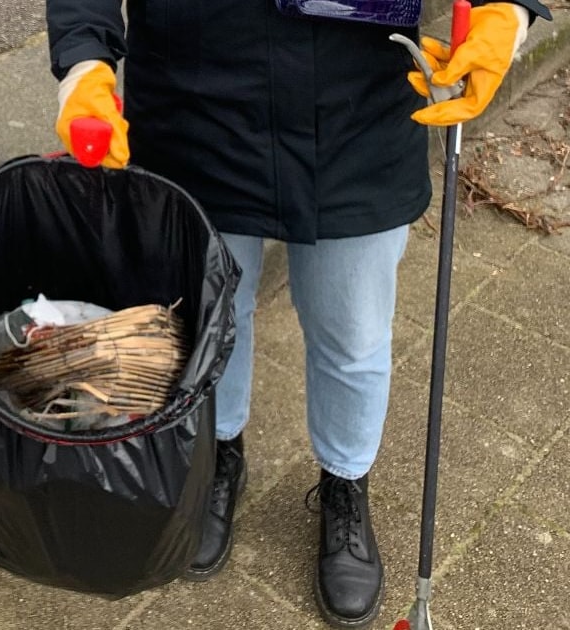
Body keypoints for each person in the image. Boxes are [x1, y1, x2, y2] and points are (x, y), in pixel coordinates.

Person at [47, 0, 550, 626]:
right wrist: (84, 62)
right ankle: (215, 458)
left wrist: (510, 9)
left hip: (356, 107)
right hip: (195, 103)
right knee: (207, 322)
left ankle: (345, 482)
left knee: (353, 331)